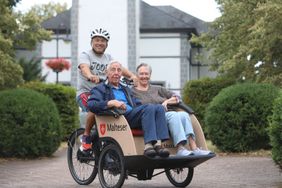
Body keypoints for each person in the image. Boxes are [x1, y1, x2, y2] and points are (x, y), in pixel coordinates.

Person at [87, 61, 170, 157]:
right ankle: (148, 145)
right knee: (150, 108)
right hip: (119, 118)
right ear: (107, 72)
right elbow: (92, 104)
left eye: (119, 70)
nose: (116, 73)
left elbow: (137, 103)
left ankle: (158, 145)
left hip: (132, 115)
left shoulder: (125, 89)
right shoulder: (100, 89)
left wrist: (150, 107)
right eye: (113, 70)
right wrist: (111, 103)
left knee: (159, 108)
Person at [76, 28, 137, 152]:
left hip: (104, 93)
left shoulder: (108, 57)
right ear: (92, 42)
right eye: (97, 40)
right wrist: (90, 76)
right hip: (86, 92)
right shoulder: (86, 55)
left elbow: (120, 68)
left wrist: (132, 76)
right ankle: (86, 136)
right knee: (93, 106)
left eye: (103, 41)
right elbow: (84, 67)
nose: (99, 43)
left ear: (106, 44)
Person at [132, 63, 211, 156]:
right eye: (141, 74)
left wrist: (167, 102)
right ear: (137, 75)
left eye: (146, 74)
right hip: (153, 118)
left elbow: (177, 97)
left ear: (150, 75)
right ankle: (180, 148)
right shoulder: (133, 91)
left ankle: (194, 147)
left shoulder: (158, 89)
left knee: (184, 115)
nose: (144, 76)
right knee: (173, 115)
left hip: (167, 113)